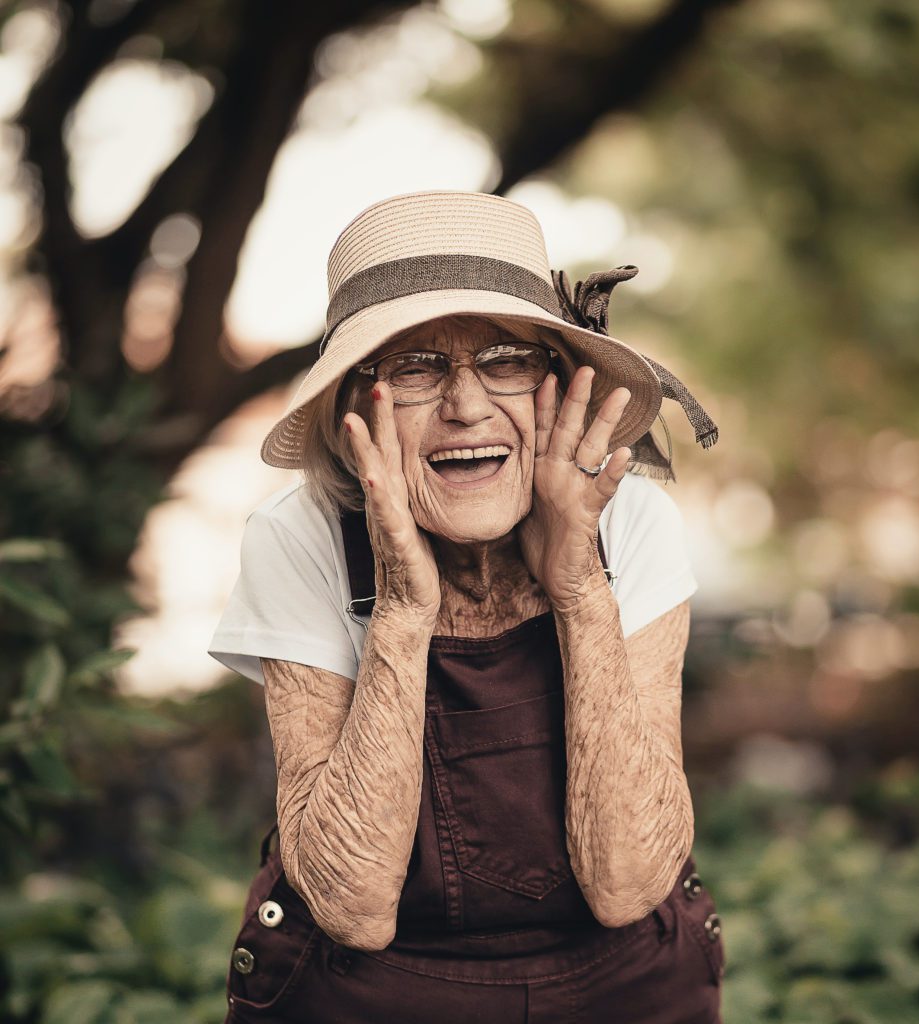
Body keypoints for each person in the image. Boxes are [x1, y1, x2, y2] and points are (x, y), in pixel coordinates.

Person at [208, 190, 725, 1023]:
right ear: (350, 416)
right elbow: (352, 905)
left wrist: (580, 588)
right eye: (413, 367)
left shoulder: (632, 520)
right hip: (370, 992)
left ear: (556, 388)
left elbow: (630, 881)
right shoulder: (297, 537)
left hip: (621, 984)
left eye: (505, 359)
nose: (468, 405)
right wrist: (405, 611)